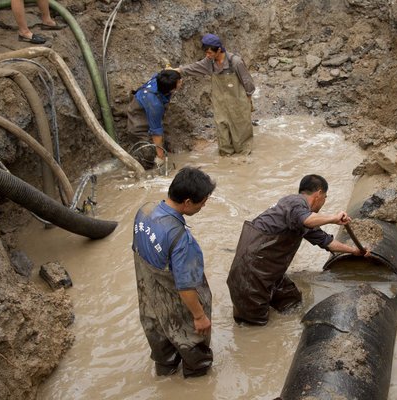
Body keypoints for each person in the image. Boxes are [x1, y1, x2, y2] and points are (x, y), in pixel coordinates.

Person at [227, 174, 370, 326]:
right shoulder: (295, 202)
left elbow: (327, 242)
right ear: (319, 194)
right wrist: (333, 218)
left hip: (271, 273)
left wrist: (353, 251)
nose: (323, 202)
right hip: (249, 277)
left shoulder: (300, 217)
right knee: (254, 328)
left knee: (292, 302)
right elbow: (307, 219)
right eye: (325, 197)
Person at [132, 166, 216, 377]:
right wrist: (199, 316)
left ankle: (166, 374)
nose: (205, 205)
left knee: (164, 352)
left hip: (150, 300)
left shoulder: (145, 211)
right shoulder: (181, 240)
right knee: (196, 357)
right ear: (187, 202)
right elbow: (186, 286)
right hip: (177, 306)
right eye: (203, 202)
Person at [176, 33, 255, 156]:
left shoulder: (235, 62)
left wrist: (248, 101)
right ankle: (226, 160)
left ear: (219, 50)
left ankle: (243, 160)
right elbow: (193, 68)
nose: (207, 56)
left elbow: (248, 82)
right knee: (223, 134)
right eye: (206, 53)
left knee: (241, 135)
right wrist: (179, 70)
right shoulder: (209, 62)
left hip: (238, 103)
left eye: (210, 53)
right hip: (220, 104)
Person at [127, 69, 183, 169]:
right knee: (149, 154)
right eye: (179, 82)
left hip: (145, 102)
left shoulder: (160, 77)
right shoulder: (155, 105)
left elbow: (167, 71)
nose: (181, 81)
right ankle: (143, 167)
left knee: (159, 140)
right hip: (138, 118)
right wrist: (160, 156)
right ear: (172, 90)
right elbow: (156, 132)